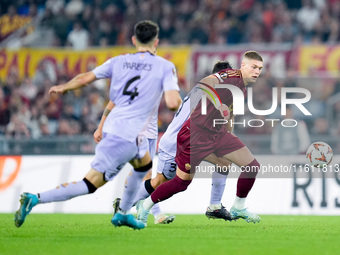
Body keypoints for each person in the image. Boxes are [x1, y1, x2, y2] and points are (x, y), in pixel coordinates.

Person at [14, 20, 181, 230]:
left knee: (145, 165)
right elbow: (173, 103)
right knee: (91, 184)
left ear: (133, 40)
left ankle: (122, 212)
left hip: (115, 128)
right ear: (156, 41)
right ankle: (38, 199)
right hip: (129, 134)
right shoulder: (164, 66)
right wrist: (175, 104)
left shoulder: (118, 61)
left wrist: (64, 87)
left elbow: (85, 78)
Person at [137, 51, 264, 227]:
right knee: (178, 183)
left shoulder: (240, 88)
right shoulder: (229, 77)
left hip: (214, 135)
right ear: (242, 66)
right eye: (254, 67)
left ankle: (232, 207)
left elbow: (228, 117)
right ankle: (142, 205)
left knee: (249, 166)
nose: (257, 71)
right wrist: (218, 103)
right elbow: (207, 82)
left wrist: (230, 138)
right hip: (191, 136)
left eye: (260, 68)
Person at [132, 61, 235, 223]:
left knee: (222, 162)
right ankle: (127, 205)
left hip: (187, 140)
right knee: (164, 182)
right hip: (178, 142)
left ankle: (214, 206)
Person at [94, 100, 176, 225]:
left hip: (152, 134)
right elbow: (113, 103)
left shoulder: (158, 82)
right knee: (146, 175)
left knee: (143, 176)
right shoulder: (134, 82)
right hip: (137, 134)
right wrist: (100, 128)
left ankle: (123, 205)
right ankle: (155, 213)